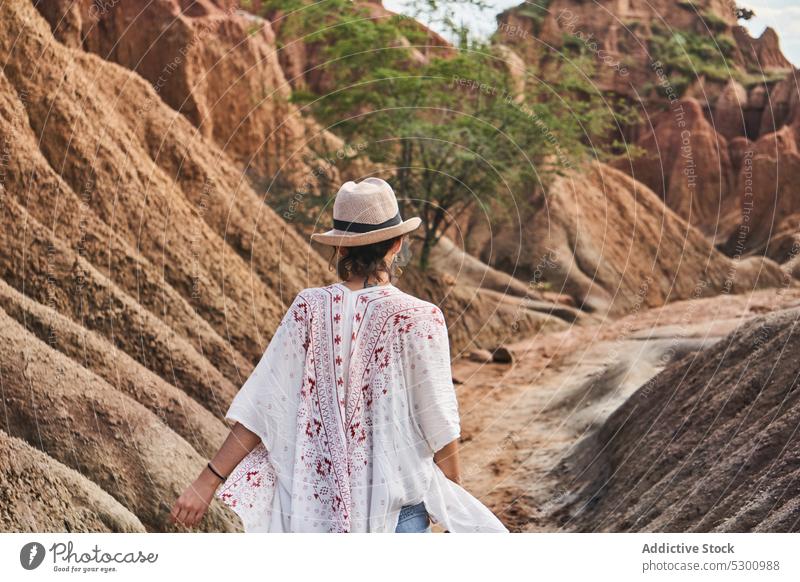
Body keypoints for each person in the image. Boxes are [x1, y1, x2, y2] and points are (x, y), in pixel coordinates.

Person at [171, 178, 507, 533]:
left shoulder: (308, 309)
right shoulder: (421, 317)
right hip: (399, 516)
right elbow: (438, 419)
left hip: (314, 514)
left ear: (341, 249)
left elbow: (263, 405)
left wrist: (207, 482)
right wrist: (450, 493)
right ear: (398, 244)